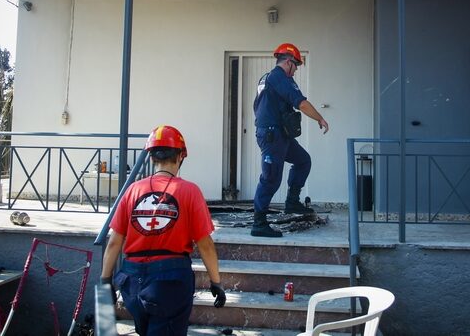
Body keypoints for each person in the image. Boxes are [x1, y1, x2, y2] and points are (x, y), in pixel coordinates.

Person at [100, 125, 226, 335]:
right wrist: (216, 282)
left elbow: (114, 242)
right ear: (180, 157)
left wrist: (105, 280)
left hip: (131, 280)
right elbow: (205, 245)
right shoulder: (190, 191)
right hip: (170, 280)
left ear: (151, 158)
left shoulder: (133, 190)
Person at [251, 42, 329, 237]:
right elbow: (301, 103)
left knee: (303, 161)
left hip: (280, 134)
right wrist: (319, 118)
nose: (295, 72)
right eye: (295, 67)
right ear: (288, 62)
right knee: (271, 178)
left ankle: (292, 202)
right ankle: (259, 223)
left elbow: (258, 106)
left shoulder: (266, 78)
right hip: (272, 135)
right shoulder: (279, 77)